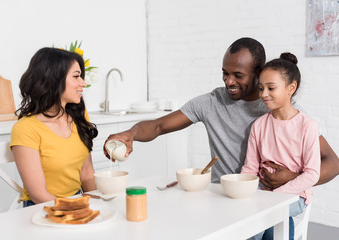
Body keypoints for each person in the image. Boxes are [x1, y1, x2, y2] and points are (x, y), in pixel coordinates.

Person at [104, 37, 339, 188]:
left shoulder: (283, 111)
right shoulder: (210, 102)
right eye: (225, 73)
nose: (229, 81)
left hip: (269, 196)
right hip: (221, 197)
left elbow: (333, 163)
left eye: (238, 75)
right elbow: (158, 126)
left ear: (259, 73)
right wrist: (131, 133)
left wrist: (293, 179)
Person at [241, 52, 320, 240]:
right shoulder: (259, 125)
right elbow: (250, 168)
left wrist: (275, 195)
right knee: (251, 219)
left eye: (271, 88)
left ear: (291, 88)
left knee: (259, 220)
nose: (263, 94)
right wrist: (243, 191)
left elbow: (312, 174)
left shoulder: (307, 126)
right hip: (262, 190)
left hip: (295, 194)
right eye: (261, 88)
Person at [10, 47, 98, 207]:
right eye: (76, 77)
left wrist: (98, 204)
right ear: (54, 79)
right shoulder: (25, 129)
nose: (83, 83)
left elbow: (86, 175)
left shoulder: (79, 116)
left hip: (77, 202)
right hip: (41, 209)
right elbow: (39, 195)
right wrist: (77, 210)